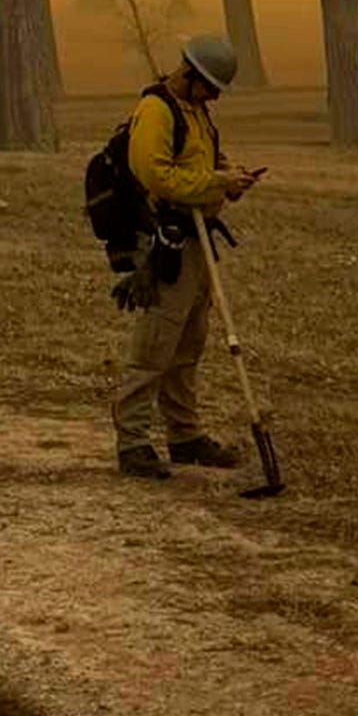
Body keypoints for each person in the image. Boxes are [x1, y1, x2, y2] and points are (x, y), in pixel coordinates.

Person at [112, 30, 265, 481]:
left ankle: (184, 435)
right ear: (191, 75)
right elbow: (156, 176)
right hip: (167, 242)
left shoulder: (195, 112)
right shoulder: (156, 110)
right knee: (155, 345)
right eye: (212, 86)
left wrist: (229, 176)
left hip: (200, 244)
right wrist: (216, 184)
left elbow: (201, 164)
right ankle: (134, 442)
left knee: (188, 345)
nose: (215, 96)